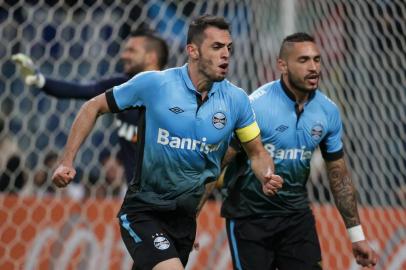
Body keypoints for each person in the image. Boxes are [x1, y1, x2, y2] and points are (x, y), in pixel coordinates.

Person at [51, 15, 283, 270]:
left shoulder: (237, 101)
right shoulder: (155, 84)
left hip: (184, 221)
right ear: (192, 51)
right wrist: (67, 161)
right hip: (143, 211)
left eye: (229, 48)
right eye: (216, 47)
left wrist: (267, 175)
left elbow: (257, 152)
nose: (226, 54)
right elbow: (93, 106)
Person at [220, 33, 378, 269]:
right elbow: (218, 163)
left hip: (296, 217)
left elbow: (339, 177)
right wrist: (190, 217)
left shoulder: (328, 112)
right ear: (282, 65)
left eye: (317, 60)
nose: (313, 67)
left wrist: (357, 236)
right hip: (249, 217)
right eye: (303, 60)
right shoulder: (255, 106)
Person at [11, 28, 169, 186]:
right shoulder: (122, 87)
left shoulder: (171, 96)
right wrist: (39, 80)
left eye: (131, 51)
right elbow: (82, 90)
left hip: (168, 192)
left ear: (151, 57)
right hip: (138, 196)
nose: (123, 55)